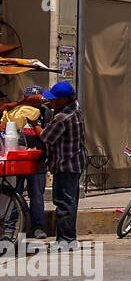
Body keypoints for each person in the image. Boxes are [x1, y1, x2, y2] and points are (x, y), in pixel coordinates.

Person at [36, 81, 86, 249]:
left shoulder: (62, 118)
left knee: (64, 203)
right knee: (70, 202)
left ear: (64, 99)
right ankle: (66, 239)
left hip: (65, 165)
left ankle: (66, 240)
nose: (52, 102)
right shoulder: (75, 109)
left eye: (55, 99)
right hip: (76, 163)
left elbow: (46, 137)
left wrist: (34, 124)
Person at [2, 87, 49, 239]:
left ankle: (38, 227)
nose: (34, 102)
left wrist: (34, 123)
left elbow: (48, 136)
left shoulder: (45, 113)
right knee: (14, 194)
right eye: (31, 99)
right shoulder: (16, 111)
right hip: (17, 161)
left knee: (36, 196)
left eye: (36, 99)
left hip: (38, 162)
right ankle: (10, 228)